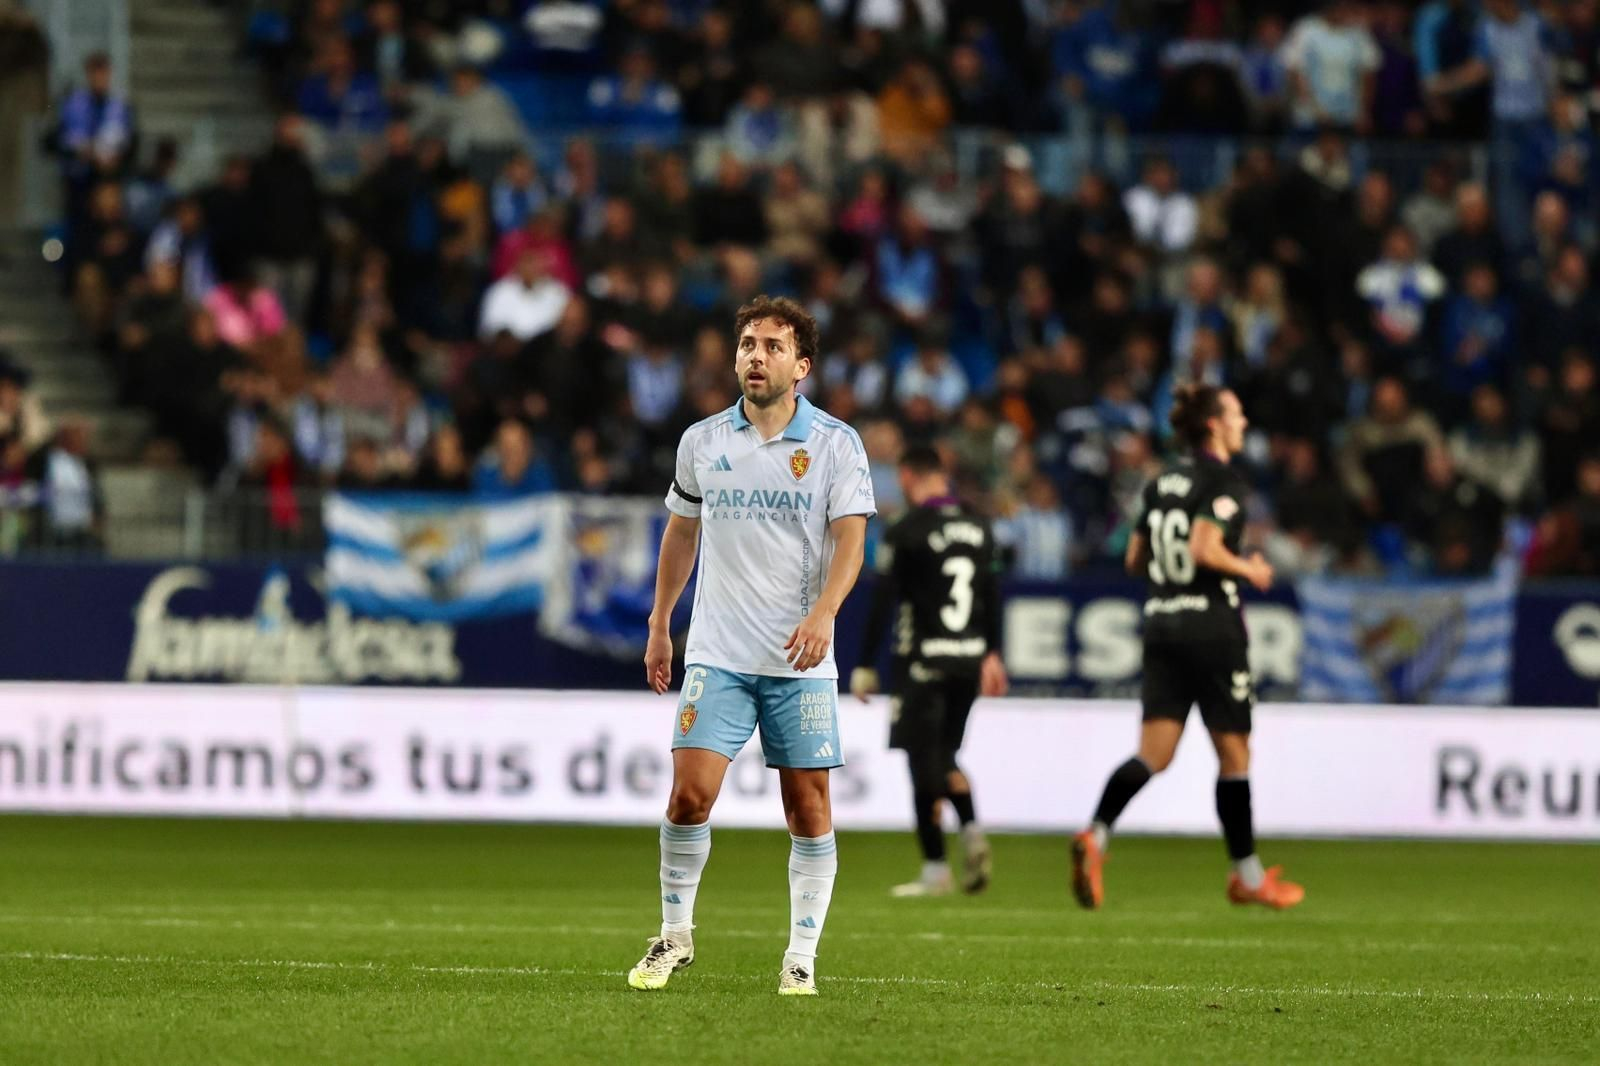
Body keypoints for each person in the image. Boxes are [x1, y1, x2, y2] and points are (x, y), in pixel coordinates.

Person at [628, 296, 875, 997]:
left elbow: (852, 538)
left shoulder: (834, 444)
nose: (755, 356)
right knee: (688, 797)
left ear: (801, 366)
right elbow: (682, 532)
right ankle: (674, 936)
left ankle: (801, 956)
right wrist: (658, 622)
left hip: (798, 662)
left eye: (771, 346)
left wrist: (826, 612)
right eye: (746, 344)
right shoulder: (702, 441)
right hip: (718, 653)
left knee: (808, 809)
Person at [1071, 384, 1305, 911]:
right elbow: (1203, 547)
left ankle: (1097, 833)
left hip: (1161, 625)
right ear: (1215, 425)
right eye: (1238, 413)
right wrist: (1251, 568)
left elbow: (1134, 558)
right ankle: (1247, 874)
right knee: (1235, 753)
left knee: (1153, 753)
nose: (1244, 422)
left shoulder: (1160, 482)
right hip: (1212, 630)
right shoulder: (1222, 480)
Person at [850, 444, 1008, 898]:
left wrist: (864, 664)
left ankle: (937, 868)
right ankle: (973, 832)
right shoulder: (981, 527)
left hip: (922, 660)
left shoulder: (908, 530)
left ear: (908, 477)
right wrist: (993, 653)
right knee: (943, 755)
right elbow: (993, 593)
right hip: (969, 660)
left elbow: (883, 600)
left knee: (925, 762)